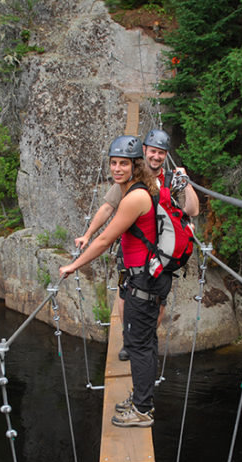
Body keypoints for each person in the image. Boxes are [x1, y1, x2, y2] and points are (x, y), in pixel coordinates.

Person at [60, 135, 172, 427]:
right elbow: (107, 221)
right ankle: (140, 400)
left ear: (137, 165)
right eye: (113, 163)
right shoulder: (138, 189)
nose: (117, 168)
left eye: (124, 163)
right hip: (145, 279)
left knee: (139, 347)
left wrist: (74, 265)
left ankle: (142, 411)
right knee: (142, 344)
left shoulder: (135, 197)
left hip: (144, 283)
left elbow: (106, 239)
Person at [74, 129, 199, 360]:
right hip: (132, 249)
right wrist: (88, 234)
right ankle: (128, 338)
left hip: (161, 253)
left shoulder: (172, 181)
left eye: (161, 153)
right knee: (124, 293)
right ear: (144, 152)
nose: (157, 157)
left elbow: (192, 211)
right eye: (153, 151)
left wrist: (186, 183)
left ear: (165, 155)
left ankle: (144, 337)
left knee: (158, 300)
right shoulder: (130, 180)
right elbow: (107, 207)